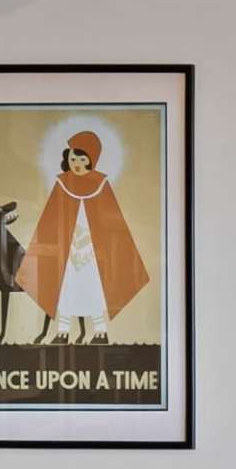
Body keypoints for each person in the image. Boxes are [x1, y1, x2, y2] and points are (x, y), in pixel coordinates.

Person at [20, 128, 149, 344]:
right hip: (67, 252)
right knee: (65, 289)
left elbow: (112, 223)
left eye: (82, 158)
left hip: (93, 252)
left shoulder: (101, 185)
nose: (76, 162)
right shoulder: (62, 184)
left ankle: (100, 332)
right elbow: (51, 221)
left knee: (95, 289)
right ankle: (62, 333)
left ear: (92, 160)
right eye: (73, 157)